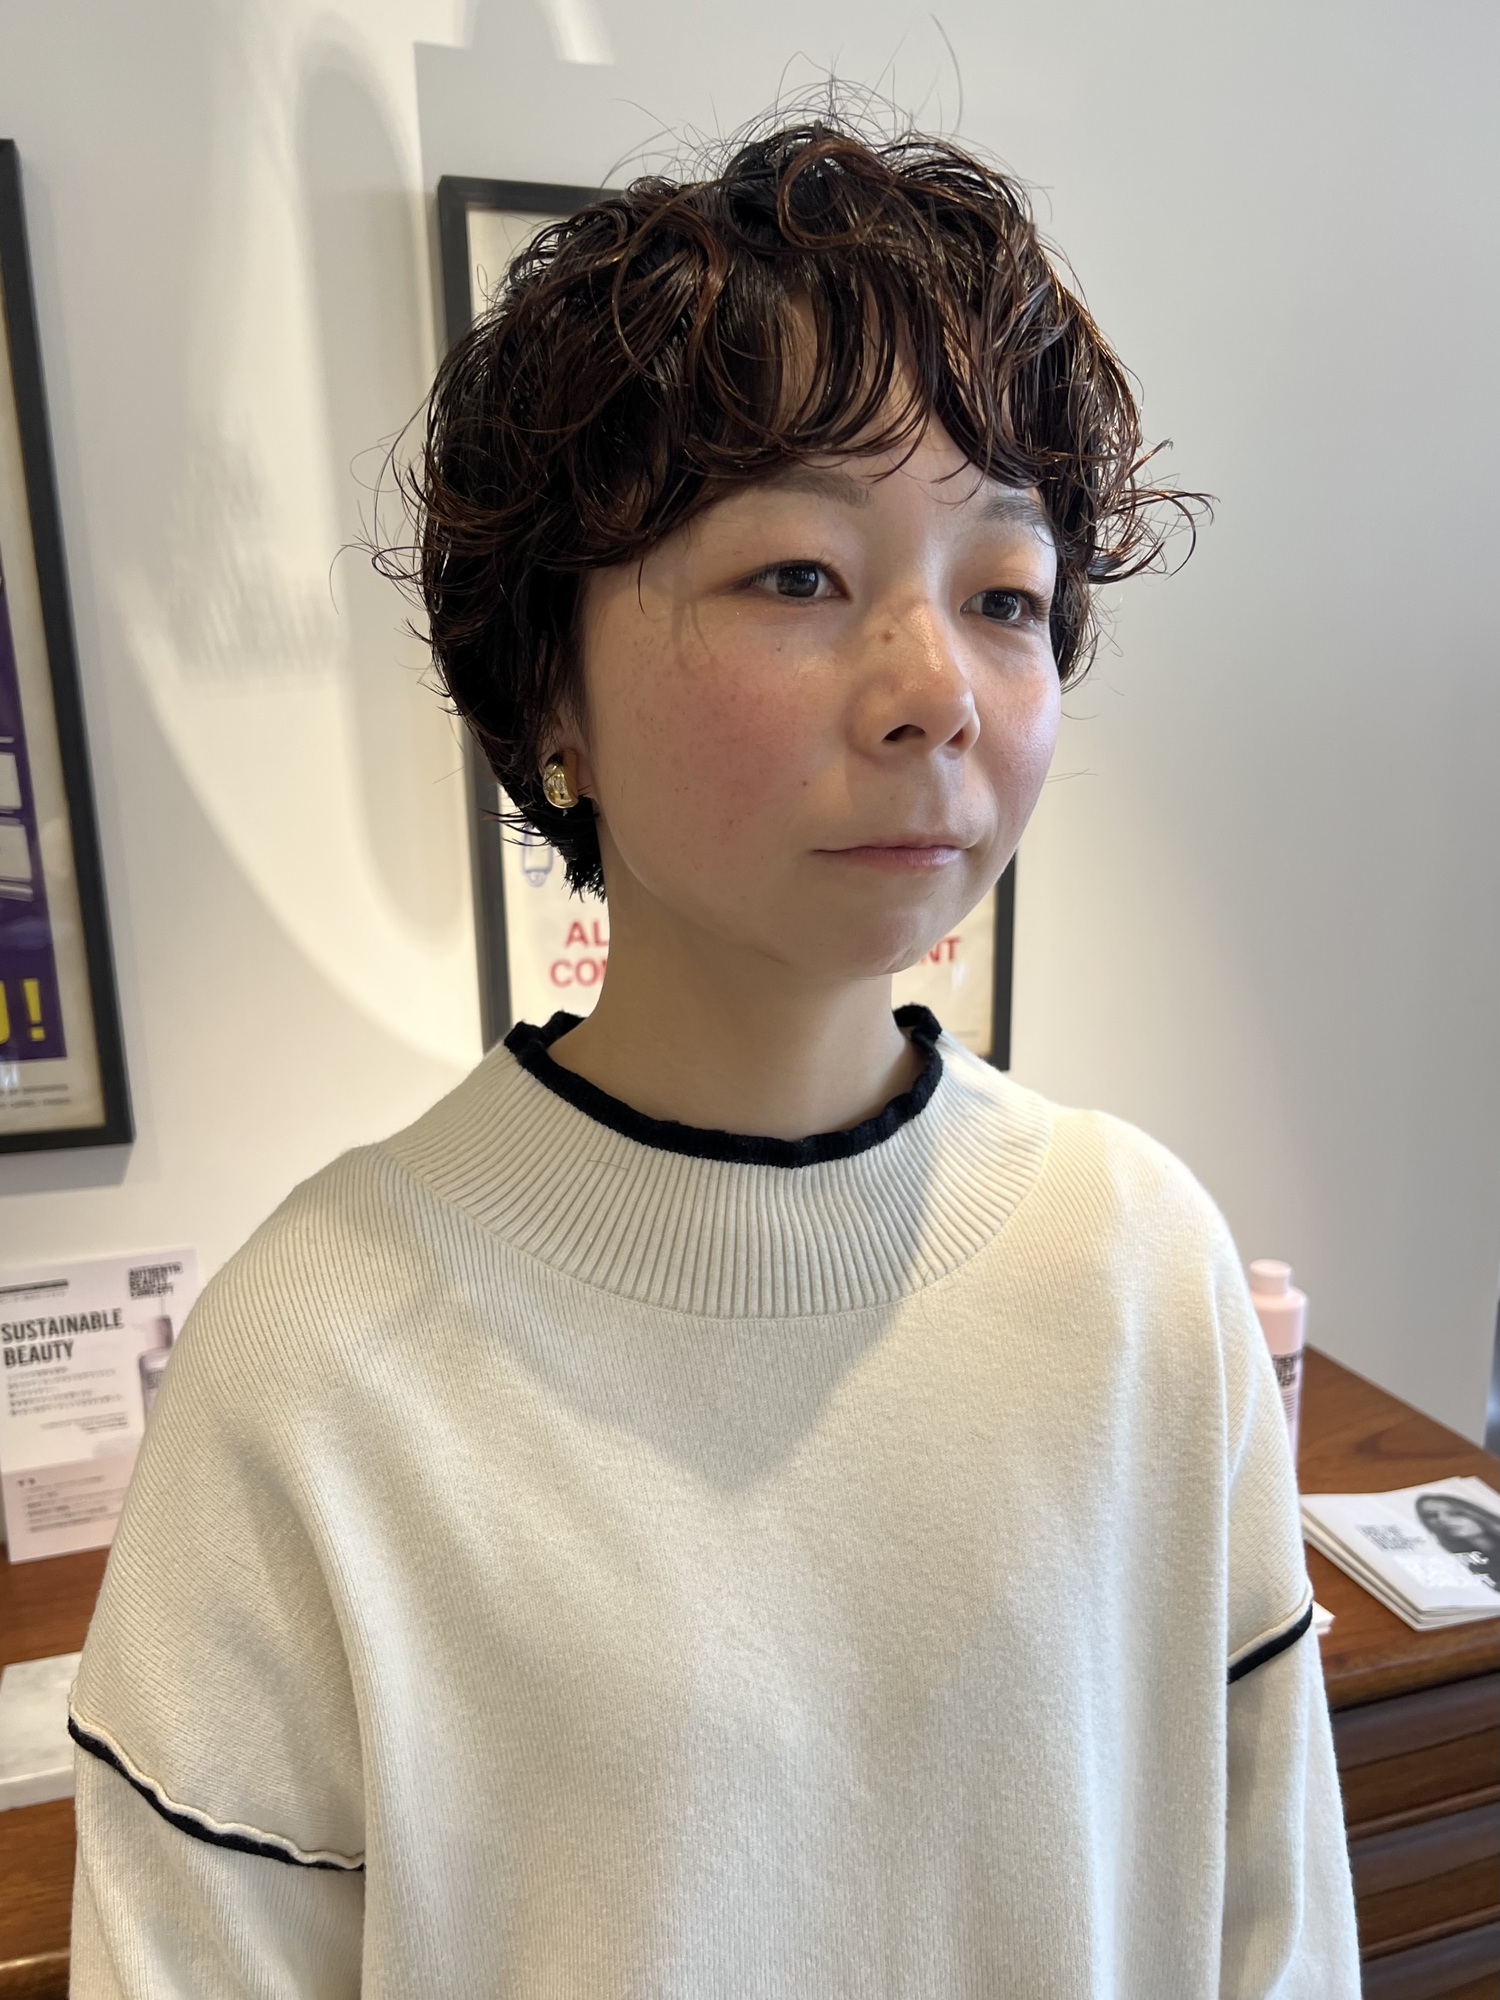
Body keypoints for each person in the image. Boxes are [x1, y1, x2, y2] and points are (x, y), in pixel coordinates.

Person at [67, 119, 1362, 1997]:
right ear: (552, 691)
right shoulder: (318, 1371)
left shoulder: (1140, 1268)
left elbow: (1277, 1937)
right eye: (798, 575)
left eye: (1005, 594)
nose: (935, 689)